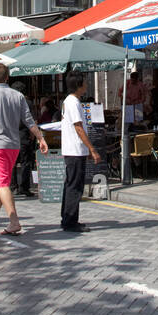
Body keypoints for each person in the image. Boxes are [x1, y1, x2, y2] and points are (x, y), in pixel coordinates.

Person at [0, 63, 48, 235]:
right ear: (7, 77)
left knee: (2, 183)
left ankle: (14, 220)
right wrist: (40, 137)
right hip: (14, 145)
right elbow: (28, 120)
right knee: (0, 182)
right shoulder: (18, 96)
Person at [60, 71, 101, 233]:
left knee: (71, 184)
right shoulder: (73, 102)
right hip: (75, 150)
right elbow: (79, 127)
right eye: (84, 82)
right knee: (74, 187)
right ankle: (70, 221)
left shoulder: (70, 101)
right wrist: (92, 148)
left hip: (74, 150)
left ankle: (68, 218)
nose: (87, 84)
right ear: (78, 85)